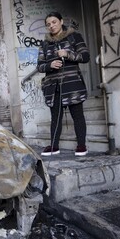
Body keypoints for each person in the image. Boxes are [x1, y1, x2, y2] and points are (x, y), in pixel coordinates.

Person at [37, 11, 90, 157]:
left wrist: (68, 54)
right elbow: (39, 66)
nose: (51, 26)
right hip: (53, 87)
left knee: (77, 115)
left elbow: (85, 57)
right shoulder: (45, 44)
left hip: (72, 85)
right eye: (48, 24)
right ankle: (54, 146)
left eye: (54, 22)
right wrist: (49, 65)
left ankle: (81, 146)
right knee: (55, 117)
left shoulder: (74, 37)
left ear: (61, 21)